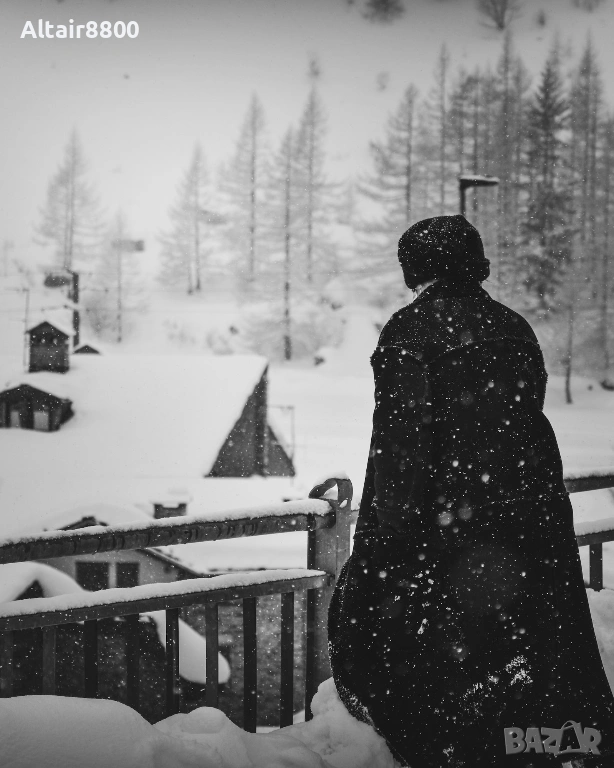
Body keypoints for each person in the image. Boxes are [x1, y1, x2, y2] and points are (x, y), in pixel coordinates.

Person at [328, 214, 614, 768]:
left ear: (416, 268)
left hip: (451, 522)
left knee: (443, 665)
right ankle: (546, 745)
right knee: (528, 650)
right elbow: (524, 420)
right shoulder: (514, 326)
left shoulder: (409, 331)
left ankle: (470, 750)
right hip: (527, 518)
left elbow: (401, 445)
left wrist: (388, 540)